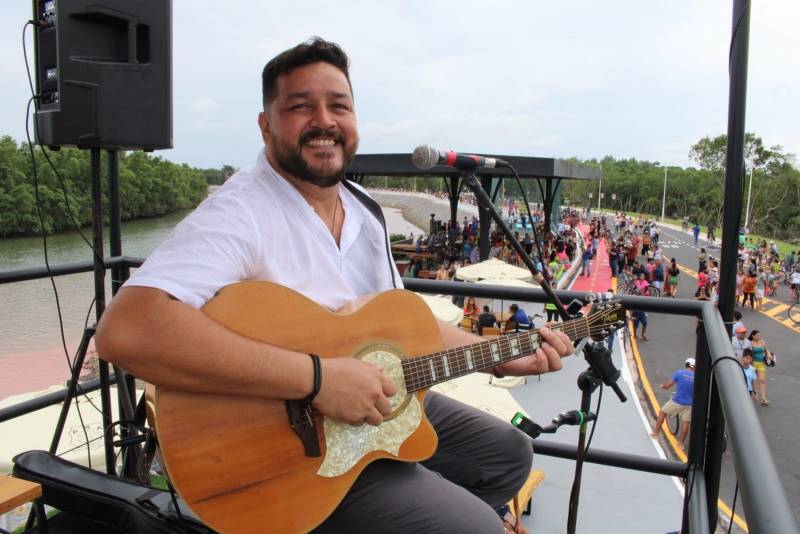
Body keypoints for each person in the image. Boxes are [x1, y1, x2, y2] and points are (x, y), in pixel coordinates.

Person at [95, 37, 573, 533]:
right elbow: (127, 330)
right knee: (474, 527)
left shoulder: (364, 208)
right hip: (285, 457)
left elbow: (400, 326)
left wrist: (497, 353)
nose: (324, 120)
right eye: (300, 106)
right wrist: (317, 379)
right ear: (266, 125)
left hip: (367, 420)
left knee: (506, 456)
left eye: (338, 105)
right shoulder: (240, 214)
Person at [650, 357, 696, 449]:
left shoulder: (680, 373)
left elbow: (667, 386)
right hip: (690, 404)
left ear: (687, 365)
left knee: (662, 412)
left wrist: (663, 386)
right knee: (686, 422)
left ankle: (655, 433)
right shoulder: (698, 376)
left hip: (678, 401)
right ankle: (681, 443)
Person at [748, 330, 773, 405]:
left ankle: (764, 398)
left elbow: (766, 350)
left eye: (759, 335)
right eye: (757, 335)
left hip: (762, 363)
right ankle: (755, 394)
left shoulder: (762, 342)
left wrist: (768, 354)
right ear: (753, 336)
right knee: (754, 379)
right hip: (753, 364)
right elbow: (748, 353)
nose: (759, 337)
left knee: (762, 380)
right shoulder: (750, 343)